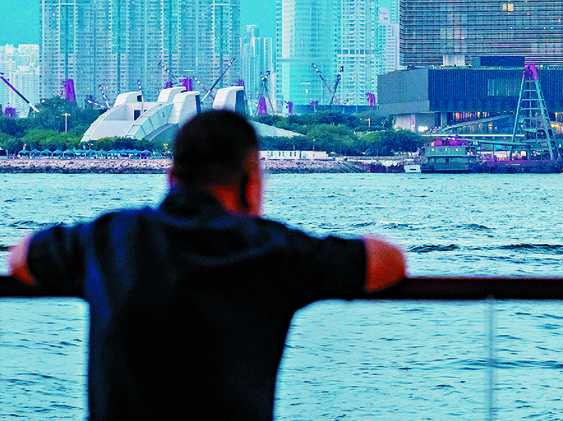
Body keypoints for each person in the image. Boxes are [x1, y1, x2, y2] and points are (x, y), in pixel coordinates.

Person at [7, 109, 407, 420]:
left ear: (170, 177)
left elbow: (22, 258)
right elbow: (387, 261)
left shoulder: (107, 237)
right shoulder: (275, 251)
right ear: (251, 180)